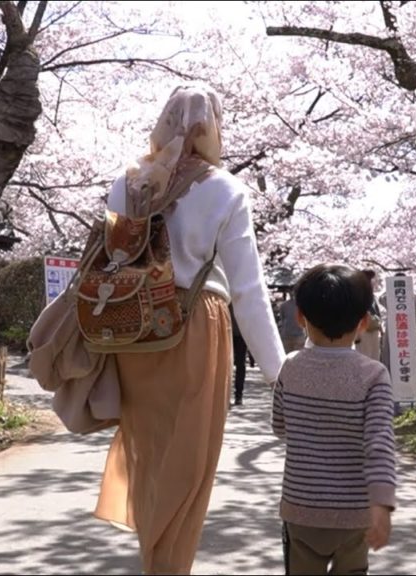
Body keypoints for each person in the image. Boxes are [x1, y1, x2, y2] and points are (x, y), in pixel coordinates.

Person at [93, 84, 286, 575]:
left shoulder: (127, 183)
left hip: (134, 328)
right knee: (191, 460)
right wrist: (277, 371)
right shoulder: (226, 189)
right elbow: (247, 288)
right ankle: (170, 564)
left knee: (147, 449)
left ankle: (154, 559)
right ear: (212, 127)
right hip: (196, 324)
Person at [272, 264, 396, 575]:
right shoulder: (374, 376)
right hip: (355, 513)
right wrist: (381, 503)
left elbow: (280, 425)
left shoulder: (291, 367)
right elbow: (380, 443)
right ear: (363, 322)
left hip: (301, 508)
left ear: (300, 317)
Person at [355, 268, 383, 361]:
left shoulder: (372, 297)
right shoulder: (358, 295)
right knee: (364, 357)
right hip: (363, 330)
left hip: (373, 329)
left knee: (374, 357)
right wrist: (357, 335)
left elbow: (377, 313)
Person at [230, 306, 248, 406]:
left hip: (241, 335)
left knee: (240, 365)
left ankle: (238, 395)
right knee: (226, 365)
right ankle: (226, 394)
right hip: (228, 333)